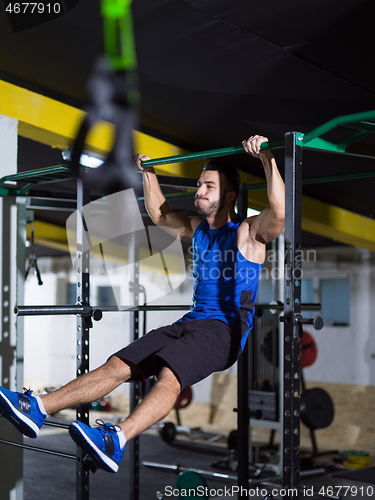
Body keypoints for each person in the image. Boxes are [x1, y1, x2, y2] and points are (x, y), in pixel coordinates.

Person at [0, 135, 285, 474]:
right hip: (190, 322)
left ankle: (115, 438)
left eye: (208, 186)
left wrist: (266, 156)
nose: (199, 191)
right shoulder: (198, 230)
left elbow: (279, 212)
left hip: (223, 331)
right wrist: (147, 172)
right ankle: (37, 408)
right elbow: (160, 214)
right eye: (198, 185)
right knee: (118, 364)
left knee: (169, 375)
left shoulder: (247, 234)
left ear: (229, 196)